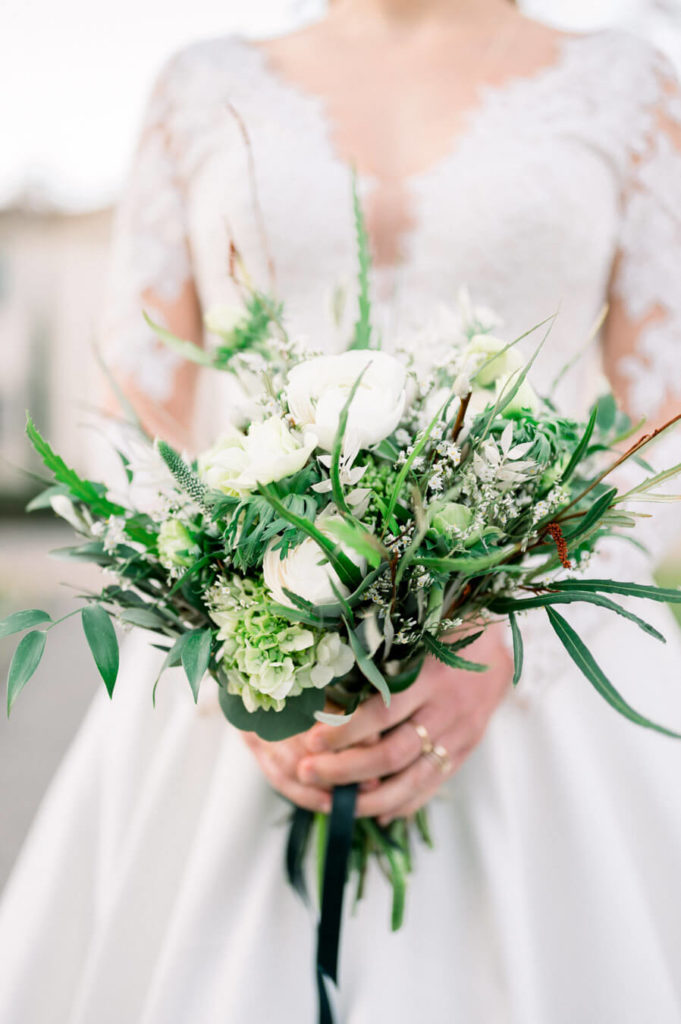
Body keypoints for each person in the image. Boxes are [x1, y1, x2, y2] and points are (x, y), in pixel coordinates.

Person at [1, 0, 681, 1020]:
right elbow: (130, 416)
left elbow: (660, 425)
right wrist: (237, 644)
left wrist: (511, 643)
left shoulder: (629, 84)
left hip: (547, 665)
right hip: (239, 665)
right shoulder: (201, 84)